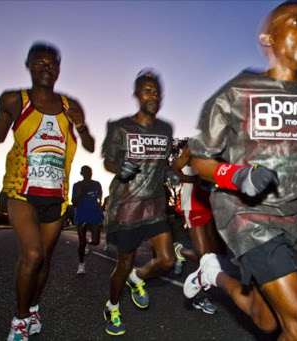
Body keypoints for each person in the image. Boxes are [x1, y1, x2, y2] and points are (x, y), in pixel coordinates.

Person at [183, 2, 297, 340]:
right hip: (245, 214)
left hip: (292, 219)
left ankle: (214, 275)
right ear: (268, 37)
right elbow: (198, 157)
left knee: (266, 319)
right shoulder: (238, 91)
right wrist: (236, 176)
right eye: (296, 22)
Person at [0, 41, 95, 341]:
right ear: (29, 65)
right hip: (21, 192)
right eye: (39, 61)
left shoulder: (72, 106)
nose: (45, 67)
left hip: (55, 198)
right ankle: (19, 321)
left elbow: (91, 145)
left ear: (59, 69)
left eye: (51, 63)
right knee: (31, 254)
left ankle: (32, 308)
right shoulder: (15, 100)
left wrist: (81, 128)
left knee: (43, 259)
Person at [101, 69, 176, 336]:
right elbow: (108, 161)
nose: (153, 95)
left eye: (156, 91)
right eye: (147, 90)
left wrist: (169, 173)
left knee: (167, 260)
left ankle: (138, 277)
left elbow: (162, 163)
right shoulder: (121, 127)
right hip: (128, 207)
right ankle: (112, 307)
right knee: (123, 264)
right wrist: (119, 166)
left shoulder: (166, 129)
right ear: (136, 94)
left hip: (155, 206)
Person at [171, 144, 225, 314]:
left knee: (218, 256)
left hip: (211, 204)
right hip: (192, 204)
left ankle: (181, 251)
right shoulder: (192, 147)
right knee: (205, 258)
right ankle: (200, 298)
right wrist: (194, 180)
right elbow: (173, 170)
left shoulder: (220, 149)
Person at [72, 165, 103, 274]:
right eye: (85, 172)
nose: (88, 174)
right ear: (81, 174)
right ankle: (81, 265)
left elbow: (100, 196)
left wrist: (100, 206)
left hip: (94, 214)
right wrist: (78, 194)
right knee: (82, 242)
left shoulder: (96, 184)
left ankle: (89, 243)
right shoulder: (77, 185)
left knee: (96, 241)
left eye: (89, 172)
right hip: (81, 215)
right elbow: (73, 203)